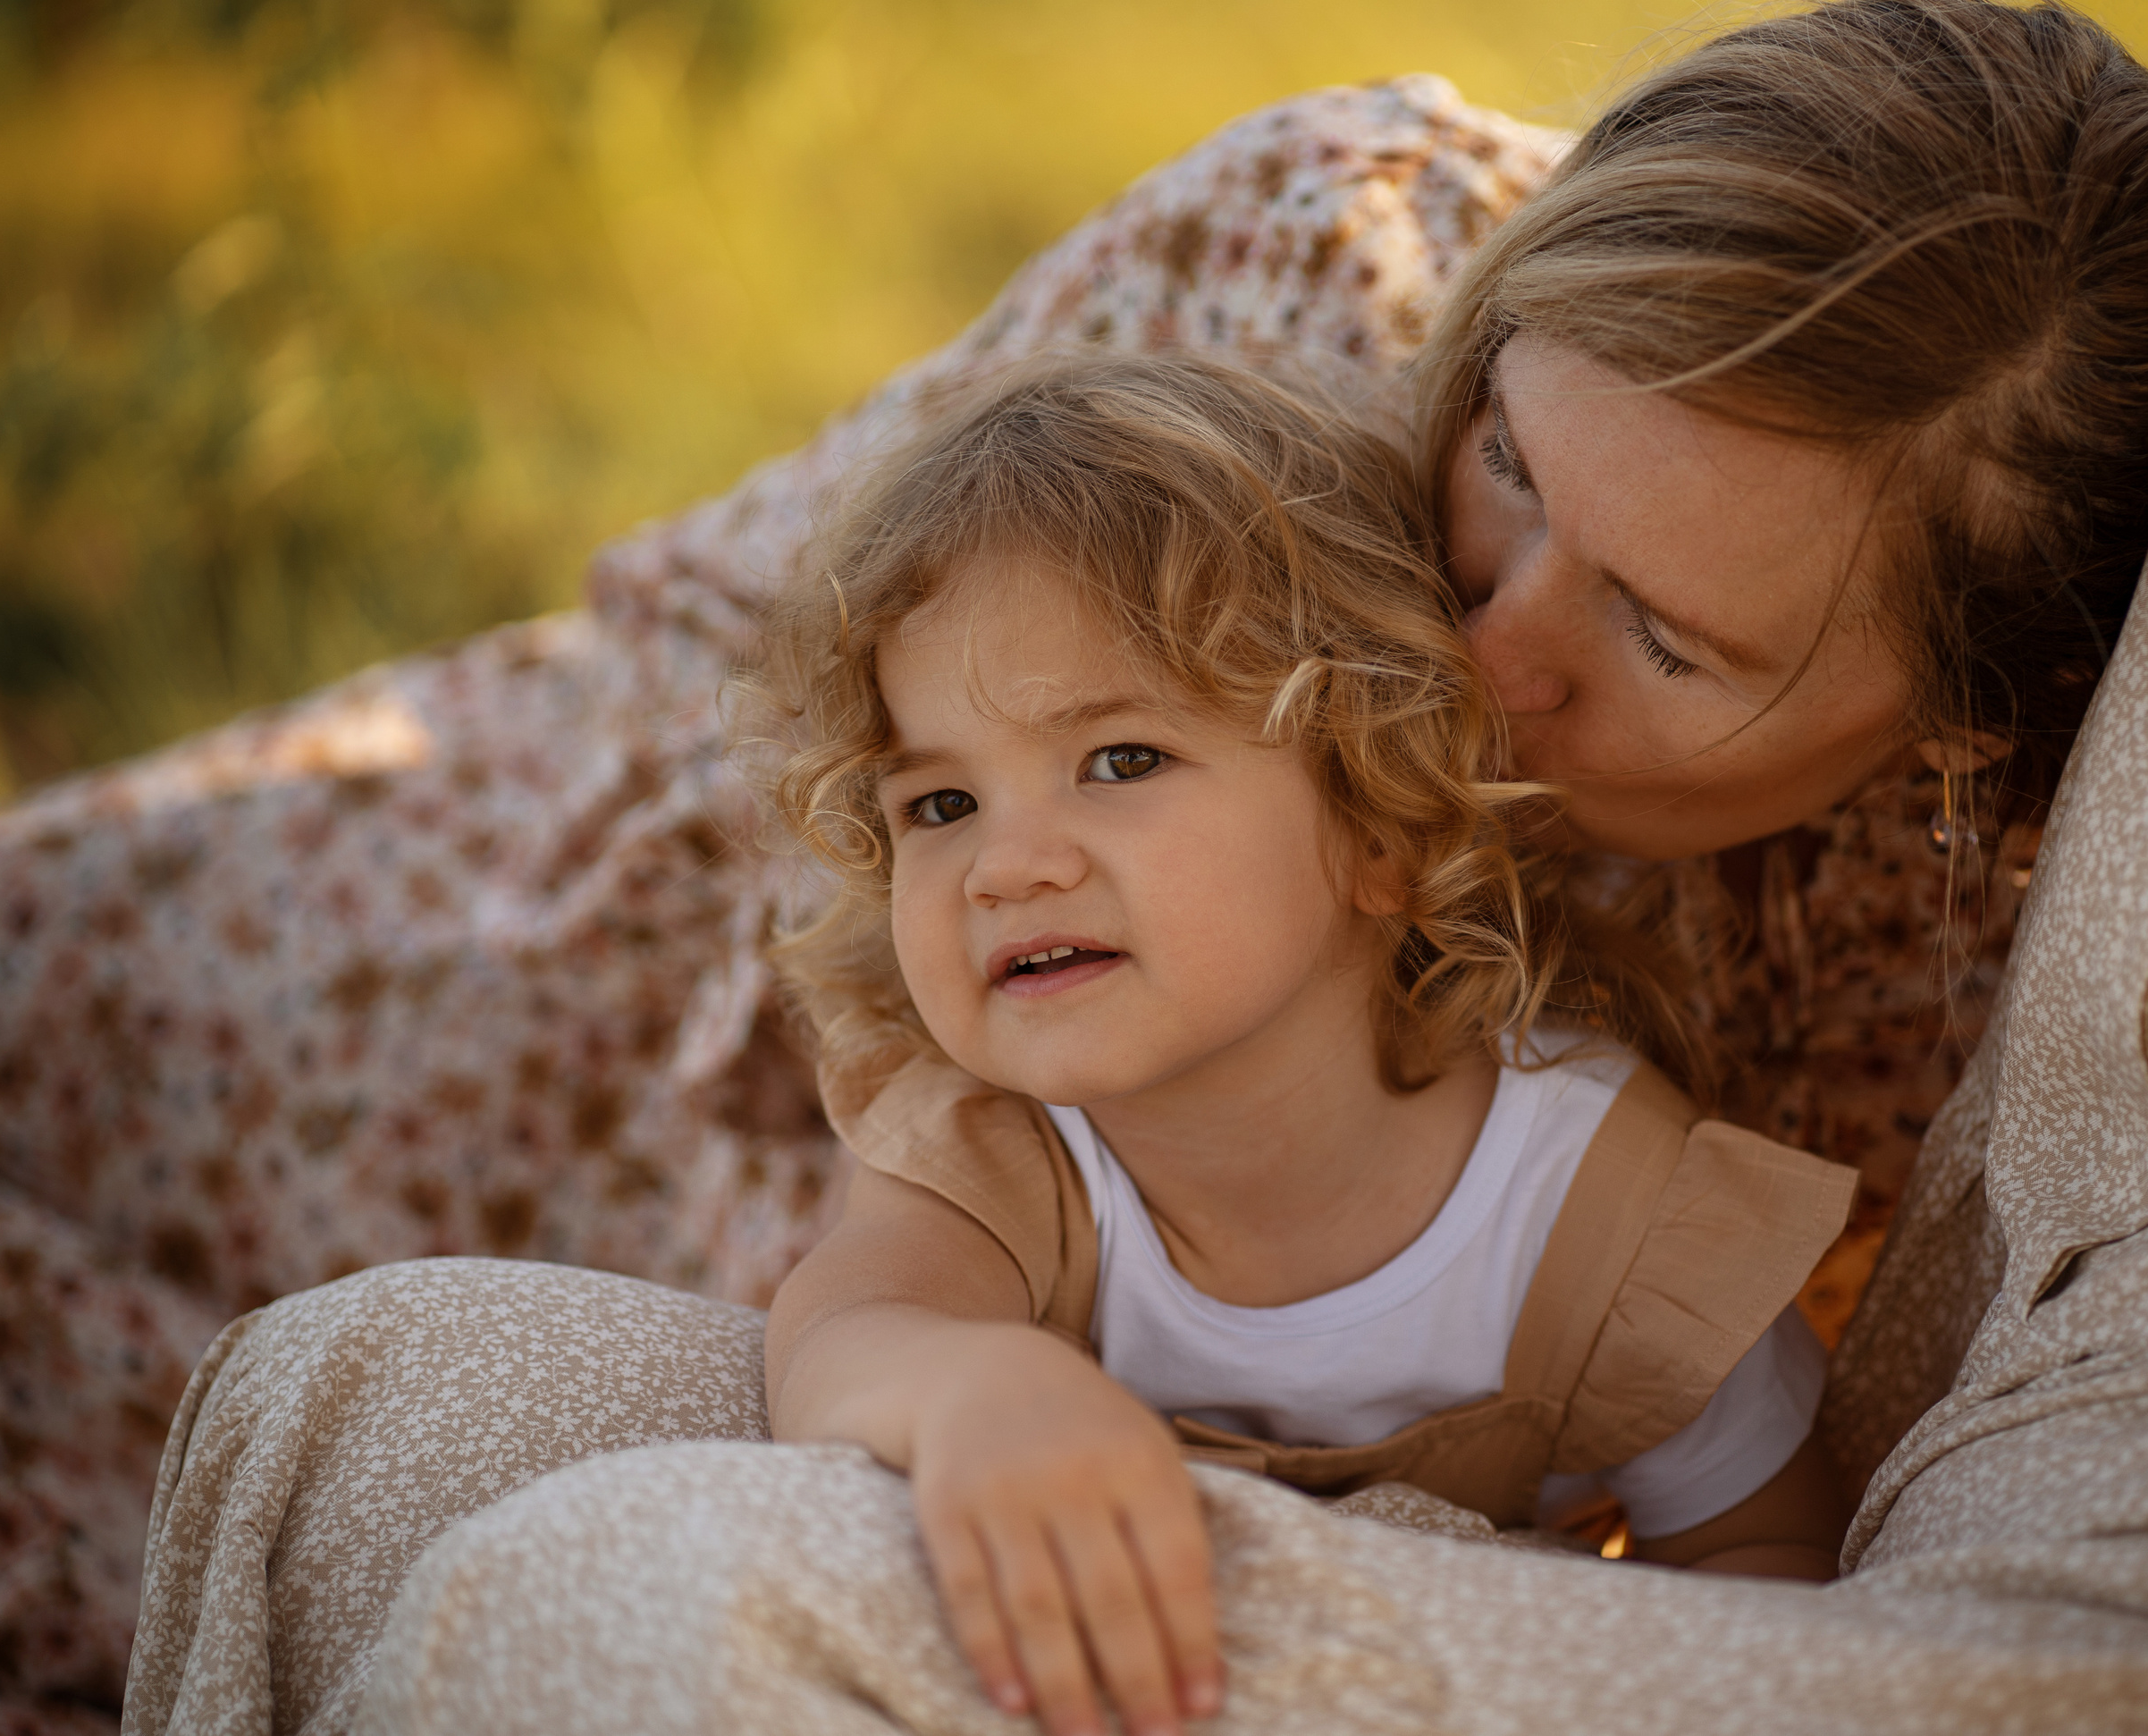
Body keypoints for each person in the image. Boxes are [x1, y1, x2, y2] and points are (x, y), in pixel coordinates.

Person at [0, 0, 2148, 1732]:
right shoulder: (1315, 277)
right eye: (1509, 455)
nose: (1476, 644)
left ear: (1962, 724)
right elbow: (757, 682)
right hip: (567, 959)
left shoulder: (1962, 984)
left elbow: (1722, 1517)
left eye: (1662, 636)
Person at [746, 352, 1856, 1736]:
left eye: (1120, 760)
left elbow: (1772, 1562)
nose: (1004, 866)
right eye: (941, 804)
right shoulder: (998, 1147)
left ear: (1378, 822)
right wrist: (965, 1386)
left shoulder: (1607, 1213)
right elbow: (843, 1332)